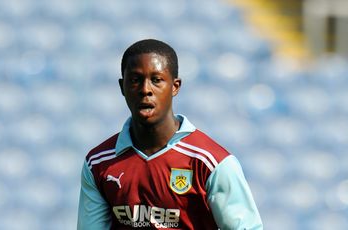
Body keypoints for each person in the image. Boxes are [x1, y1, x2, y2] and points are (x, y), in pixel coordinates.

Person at [78, 39, 262, 229]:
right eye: (135, 80)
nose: (145, 90)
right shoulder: (98, 163)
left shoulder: (211, 162)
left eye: (156, 80)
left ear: (175, 86)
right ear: (122, 86)